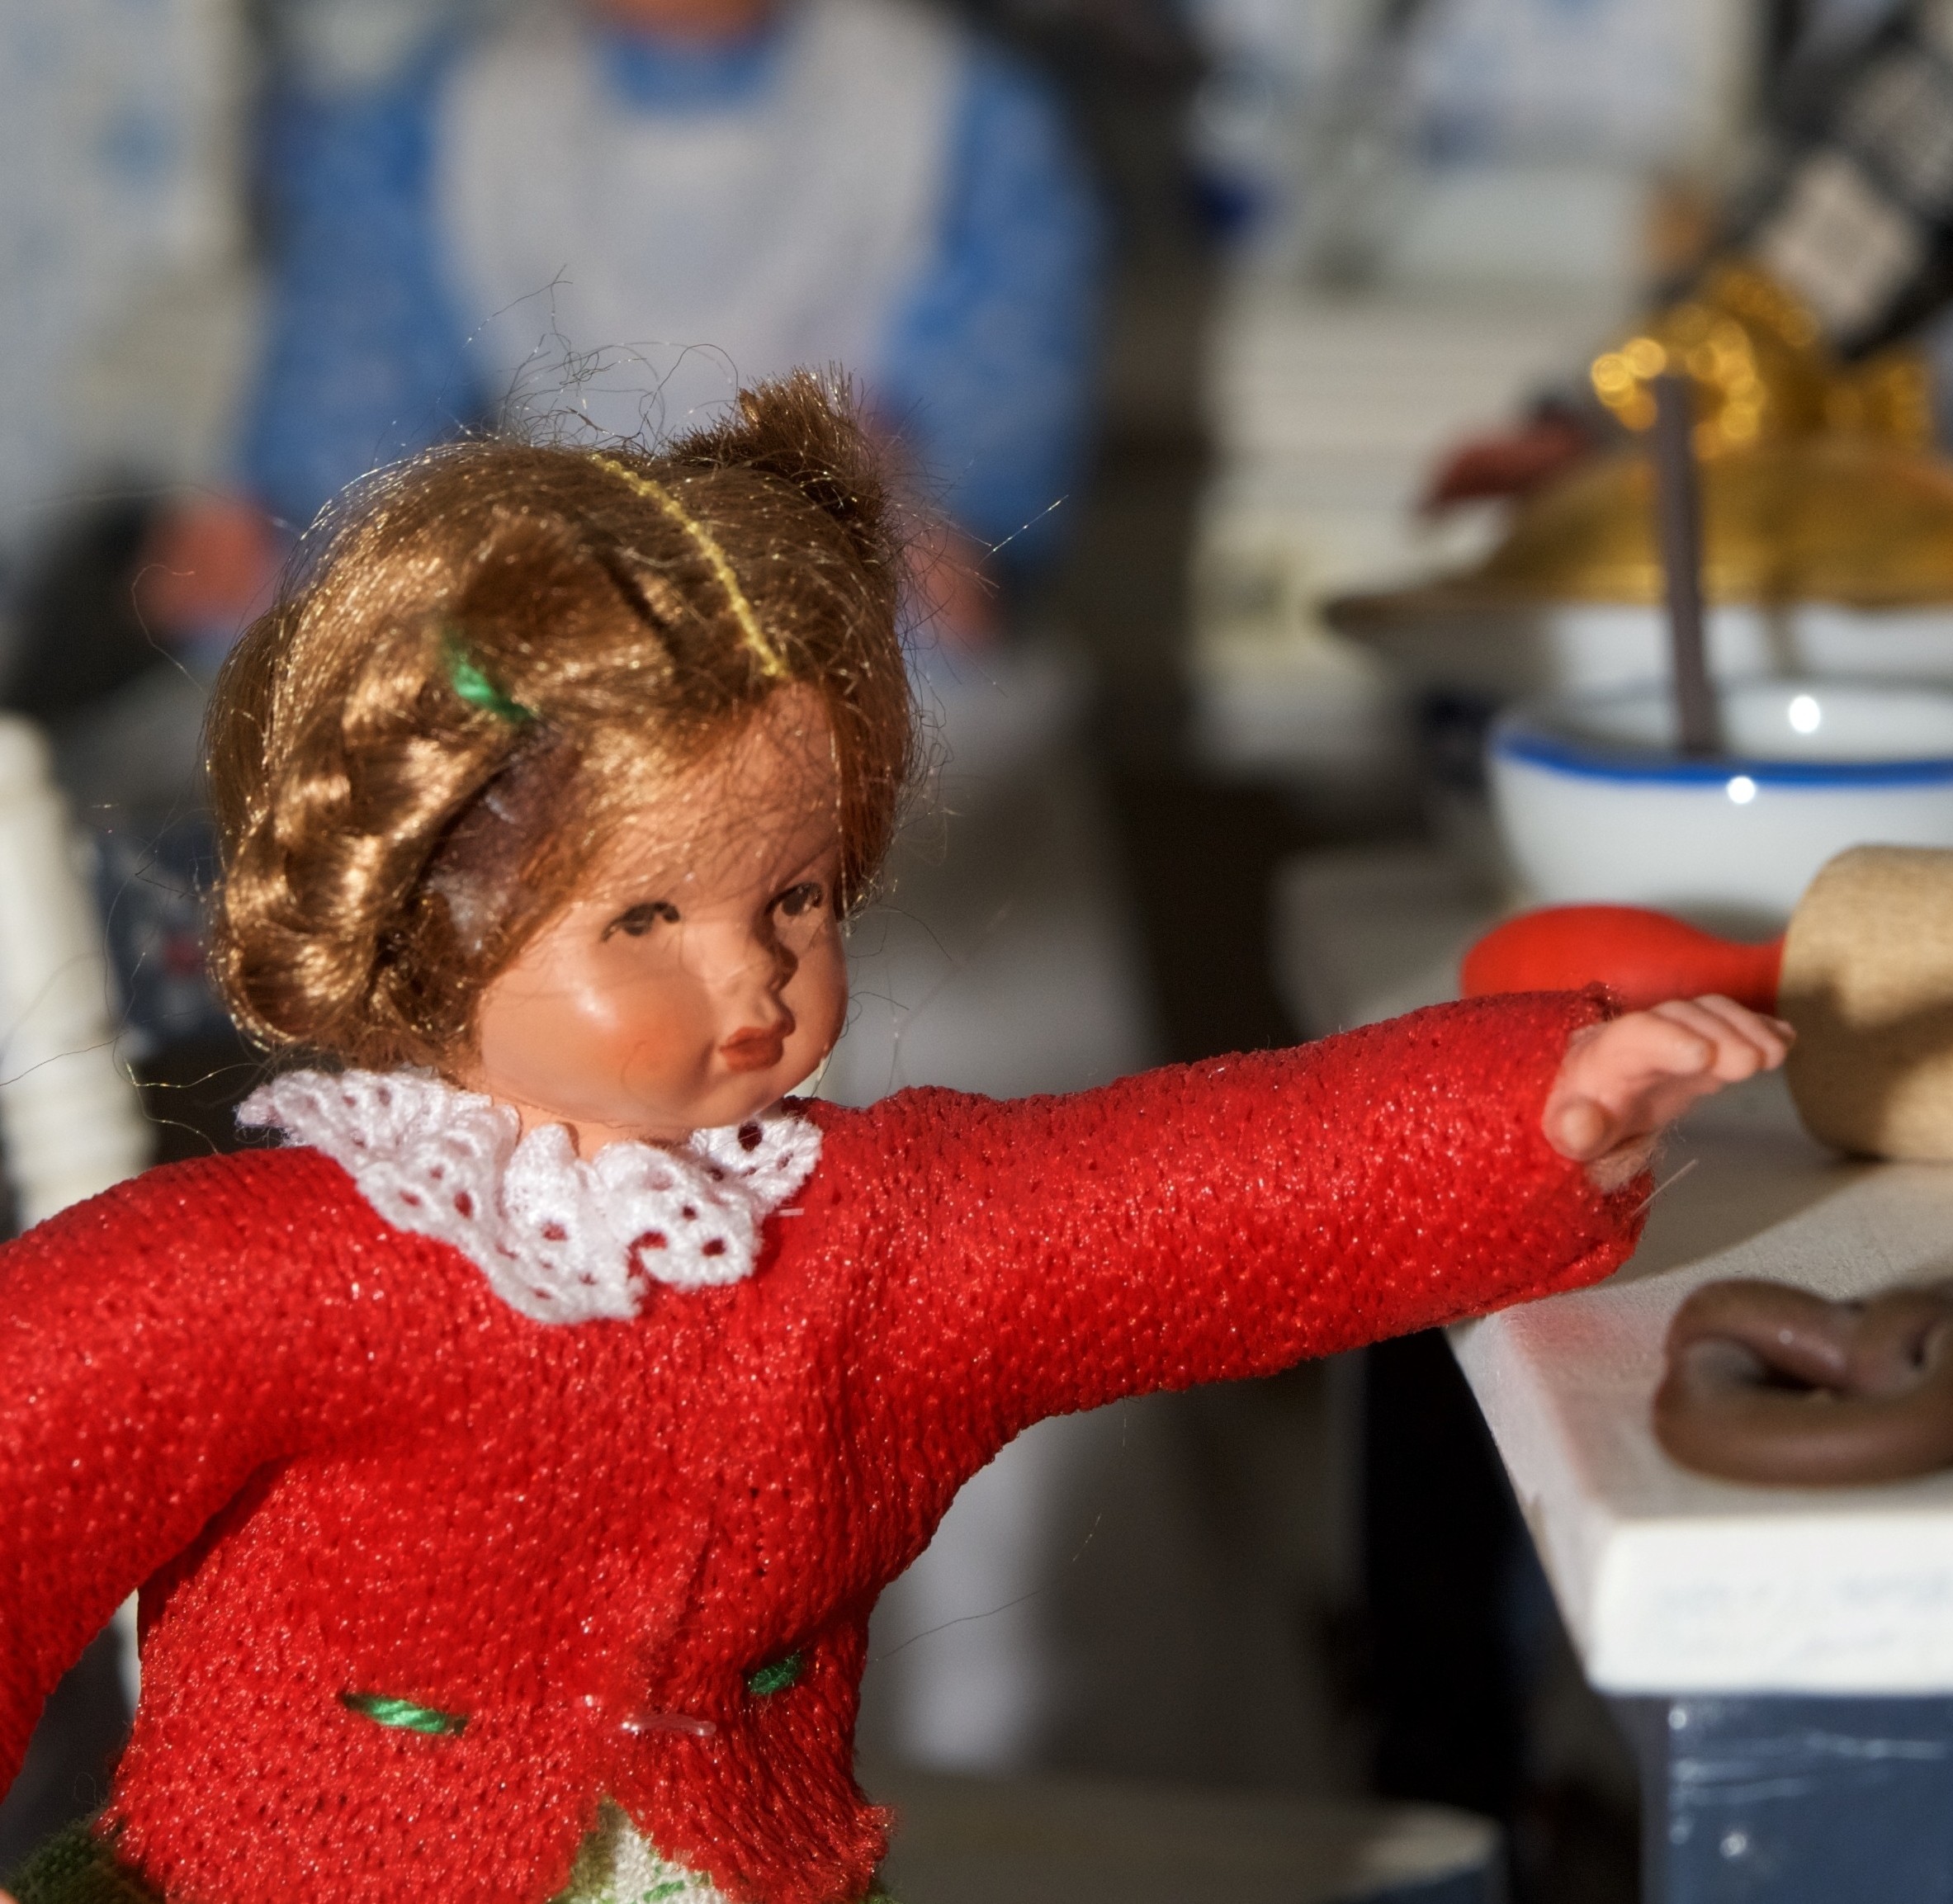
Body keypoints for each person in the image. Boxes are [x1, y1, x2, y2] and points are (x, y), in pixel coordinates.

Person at [0, 372, 1790, 1904]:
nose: (753, 979)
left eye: (793, 896)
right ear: (436, 908)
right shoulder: (271, 1271)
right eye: (647, 921)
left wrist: (1523, 1114)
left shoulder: (866, 1237)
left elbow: (1180, 1200)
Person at [144, 0, 1103, 647]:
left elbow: (989, 529)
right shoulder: (439, 116)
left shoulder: (960, 117)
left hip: (873, 681)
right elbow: (340, 454)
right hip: (547, 663)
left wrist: (904, 544)